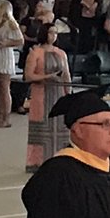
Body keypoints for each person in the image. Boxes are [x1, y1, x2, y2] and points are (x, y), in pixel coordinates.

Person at [25, 24, 71, 172]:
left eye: (56, 33)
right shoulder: (35, 53)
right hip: (41, 95)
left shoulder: (61, 53)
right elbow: (29, 76)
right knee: (41, 129)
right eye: (51, 32)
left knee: (60, 128)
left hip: (58, 94)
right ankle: (38, 162)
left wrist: (68, 92)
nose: (54, 36)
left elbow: (66, 75)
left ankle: (60, 159)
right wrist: (47, 77)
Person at [0, 0, 23, 128]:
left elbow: (20, 40)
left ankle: (6, 118)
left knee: (4, 88)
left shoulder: (11, 23)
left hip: (5, 55)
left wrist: (7, 43)